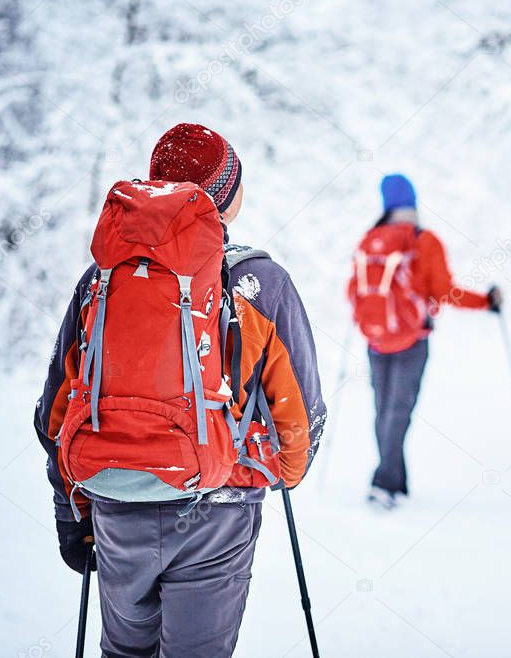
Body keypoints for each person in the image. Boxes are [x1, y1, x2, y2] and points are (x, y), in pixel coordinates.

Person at [33, 123, 325, 656]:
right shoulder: (260, 282)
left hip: (115, 501)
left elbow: (56, 412)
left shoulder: (102, 279)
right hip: (217, 508)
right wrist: (268, 470)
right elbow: (298, 419)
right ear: (226, 200)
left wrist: (69, 511)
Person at [347, 173, 501, 510]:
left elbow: (351, 290)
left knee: (384, 411)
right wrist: (487, 302)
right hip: (410, 341)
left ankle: (395, 483)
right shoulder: (423, 240)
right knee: (398, 413)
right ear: (413, 202)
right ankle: (383, 485)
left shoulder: (370, 239)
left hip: (375, 340)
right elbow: (446, 292)